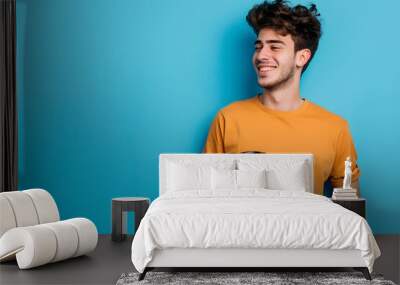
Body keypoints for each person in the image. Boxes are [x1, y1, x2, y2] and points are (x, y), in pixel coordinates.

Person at [203, 0, 360, 196]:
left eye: (274, 47)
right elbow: (208, 199)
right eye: (258, 46)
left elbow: (350, 210)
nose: (261, 55)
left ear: (301, 57)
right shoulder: (227, 119)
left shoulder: (336, 129)